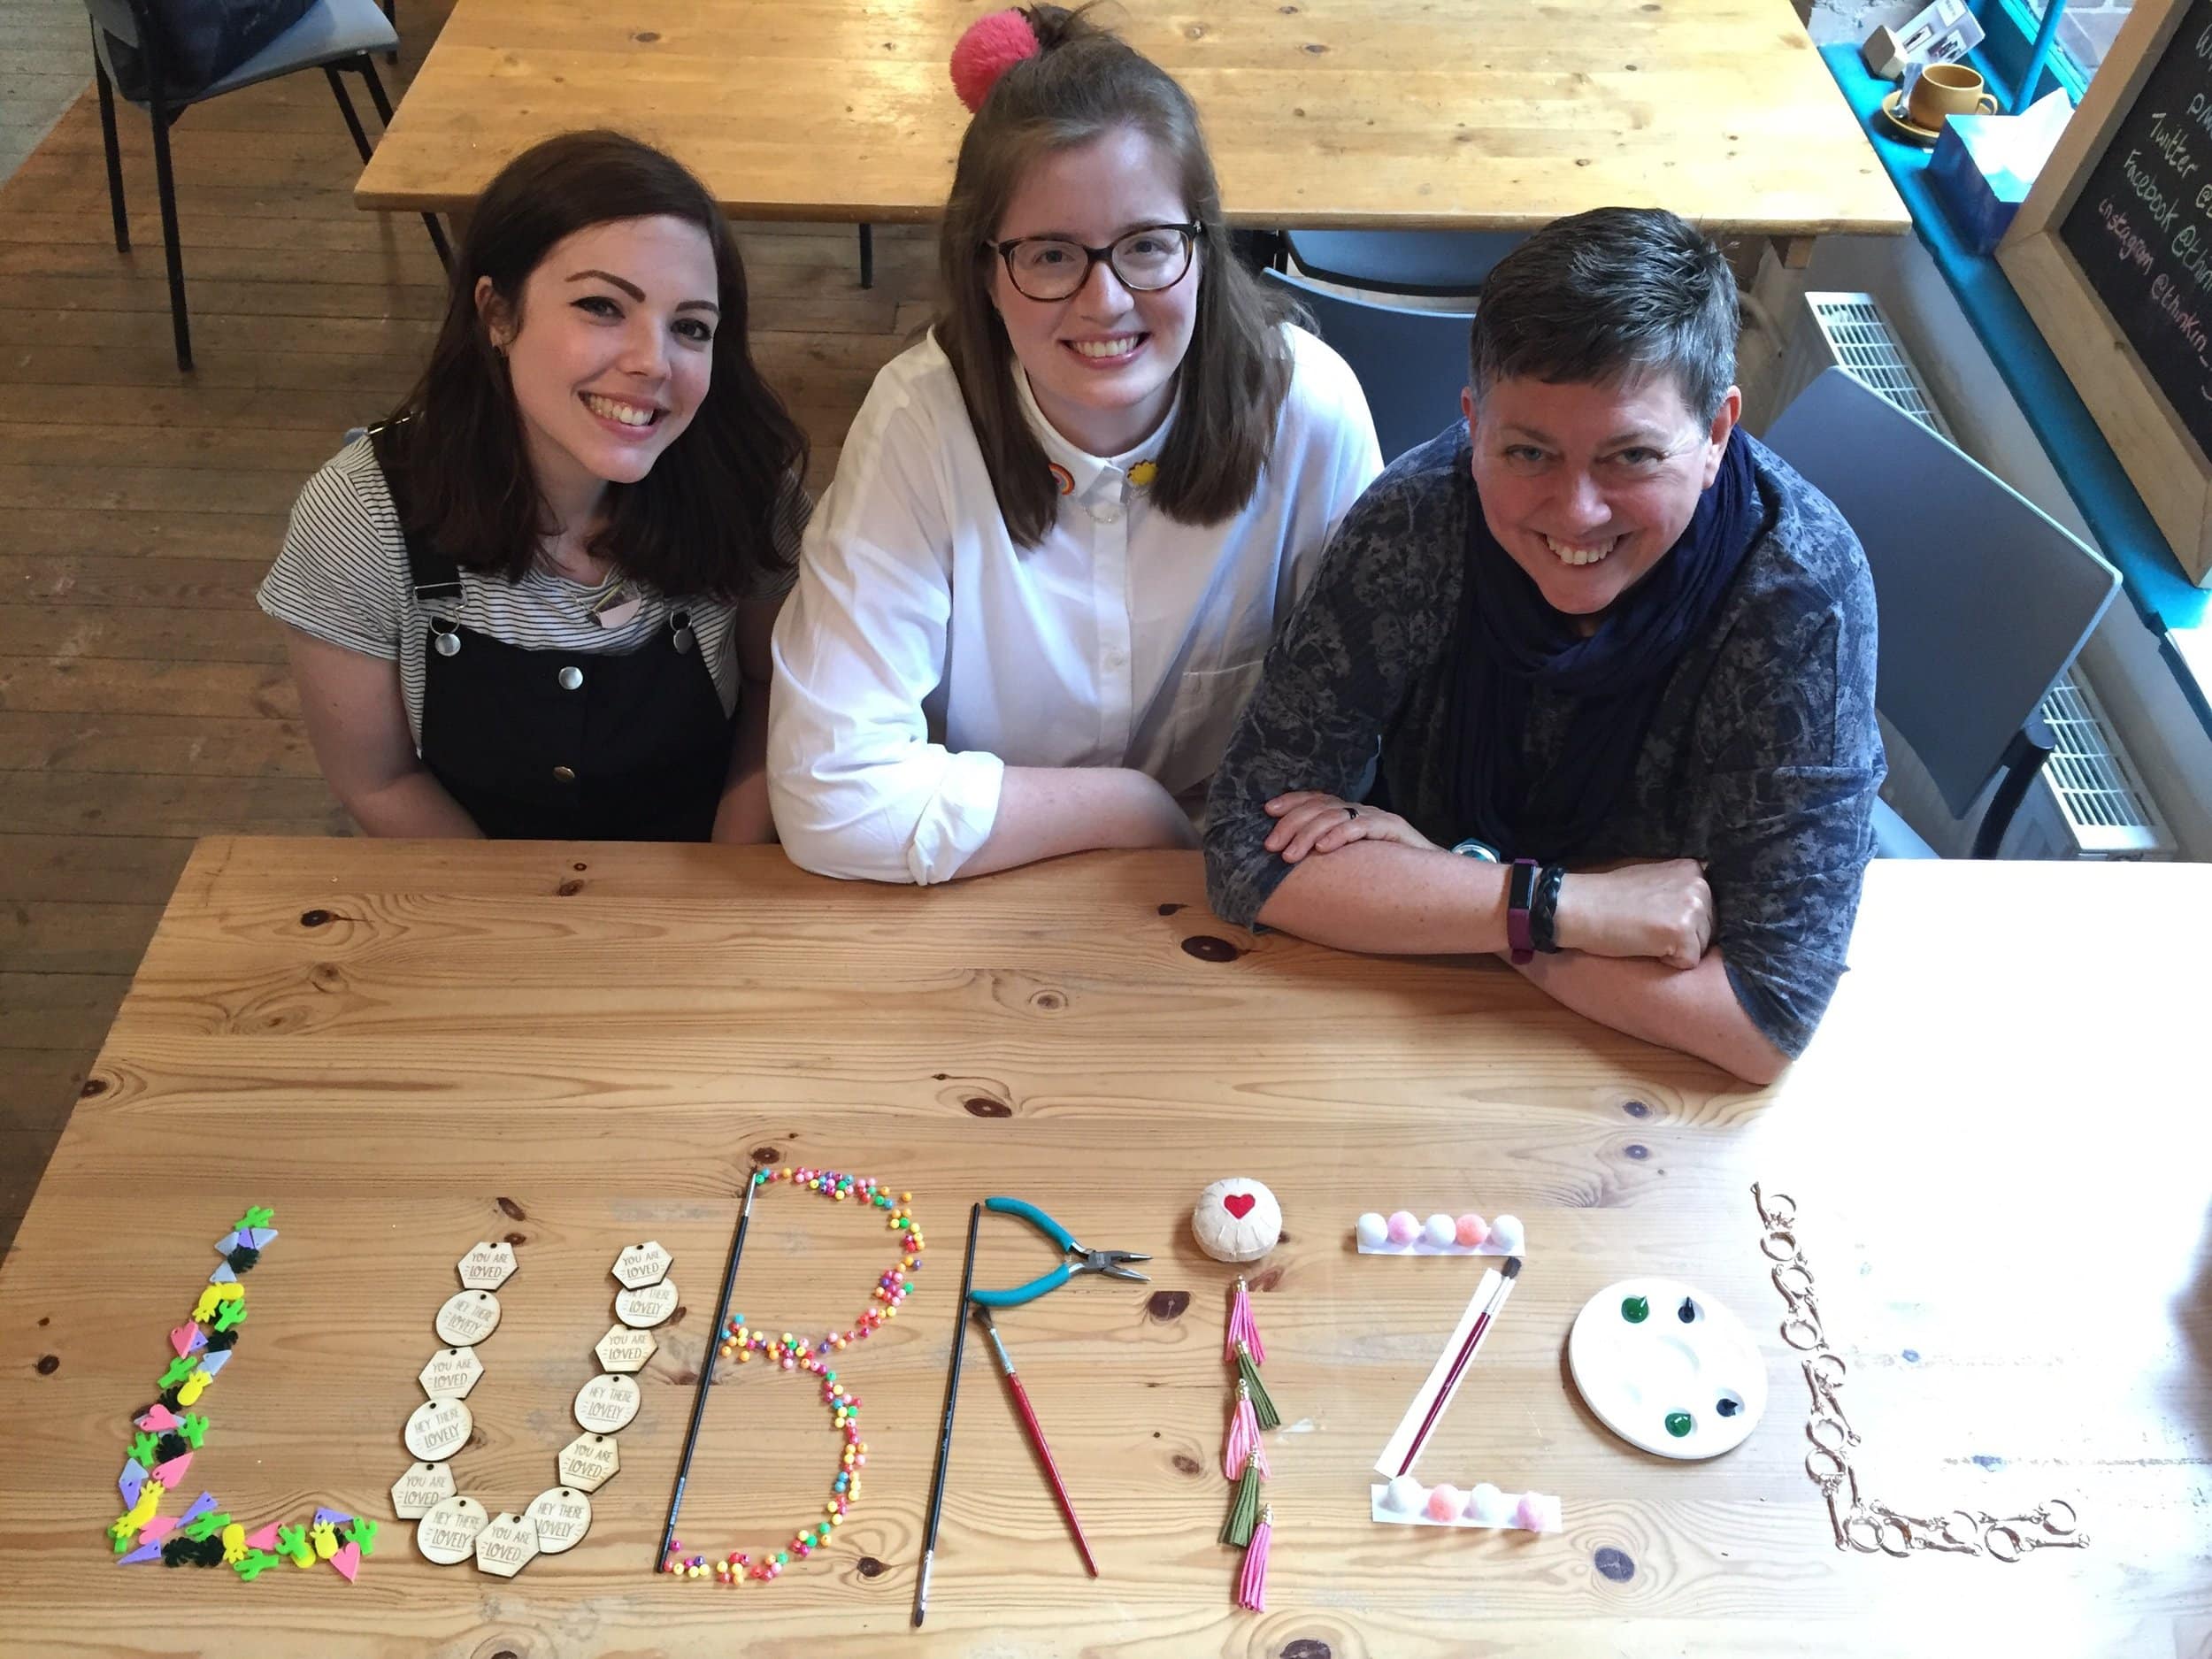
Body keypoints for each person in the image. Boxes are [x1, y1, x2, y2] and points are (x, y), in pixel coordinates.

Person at [1203, 208, 1882, 1085]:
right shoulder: (1419, 516)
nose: (1576, 512)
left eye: (1631, 457)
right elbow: (1243, 853)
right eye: (1527, 452)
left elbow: (1761, 1019)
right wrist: (1563, 907)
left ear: (1717, 435)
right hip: (1416, 1022)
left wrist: (1444, 893)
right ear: (1473, 423)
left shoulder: (1801, 595)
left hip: (1632, 1078)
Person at [766, 4, 1381, 883]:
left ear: (1203, 246)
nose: (1106, 301)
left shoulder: (1310, 411)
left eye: (1145, 246)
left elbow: (1361, 741)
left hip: (1232, 886)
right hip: (991, 882)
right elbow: (827, 792)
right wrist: (1129, 809)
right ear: (984, 270)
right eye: (1051, 255)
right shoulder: (918, 422)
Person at [260, 131, 810, 841]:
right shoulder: (361, 515)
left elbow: (777, 689)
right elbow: (379, 780)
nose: (654, 362)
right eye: (603, 307)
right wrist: (524, 936)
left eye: (691, 327)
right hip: (471, 886)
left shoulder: (748, 483)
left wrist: (718, 891)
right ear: (496, 313)